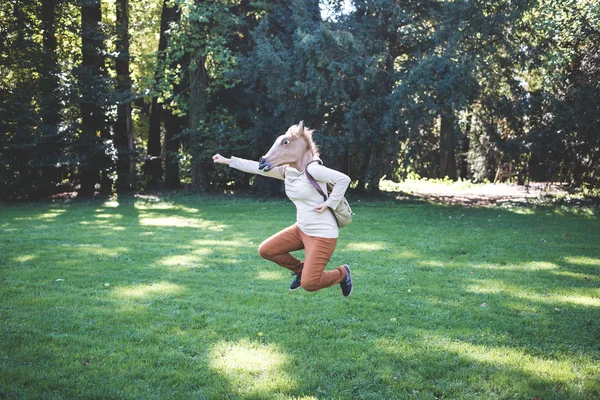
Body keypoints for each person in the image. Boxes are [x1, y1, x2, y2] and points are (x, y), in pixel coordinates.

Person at [212, 122, 353, 296]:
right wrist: (227, 161)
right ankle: (302, 270)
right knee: (267, 250)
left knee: (310, 284)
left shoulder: (314, 169)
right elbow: (257, 167)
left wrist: (330, 203)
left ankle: (342, 273)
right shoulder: (288, 171)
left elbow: (343, 180)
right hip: (301, 229)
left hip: (322, 234)